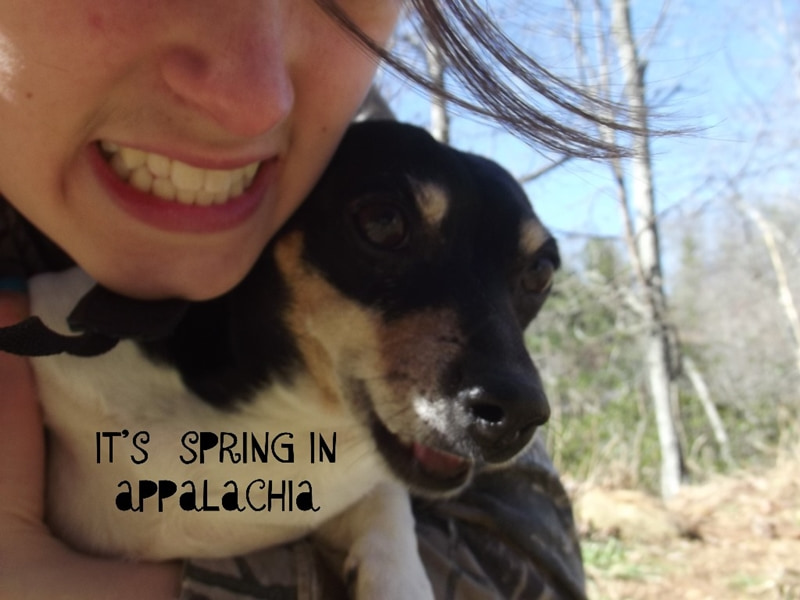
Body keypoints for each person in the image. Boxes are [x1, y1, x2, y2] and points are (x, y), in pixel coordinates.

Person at [0, 2, 612, 598]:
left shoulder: (335, 139)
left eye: (535, 275)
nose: (253, 104)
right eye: (383, 227)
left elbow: (527, 567)